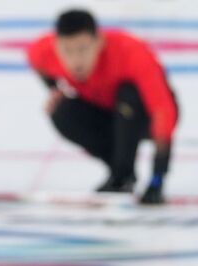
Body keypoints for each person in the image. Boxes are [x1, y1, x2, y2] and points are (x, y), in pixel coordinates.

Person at [27, 9, 179, 205]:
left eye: (82, 49)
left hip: (144, 116)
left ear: (99, 42)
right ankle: (122, 174)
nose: (75, 60)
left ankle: (122, 172)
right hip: (105, 113)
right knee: (60, 110)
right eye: (67, 51)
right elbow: (36, 63)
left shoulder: (130, 52)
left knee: (127, 95)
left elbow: (163, 112)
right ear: (55, 46)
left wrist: (157, 180)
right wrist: (54, 89)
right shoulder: (43, 52)